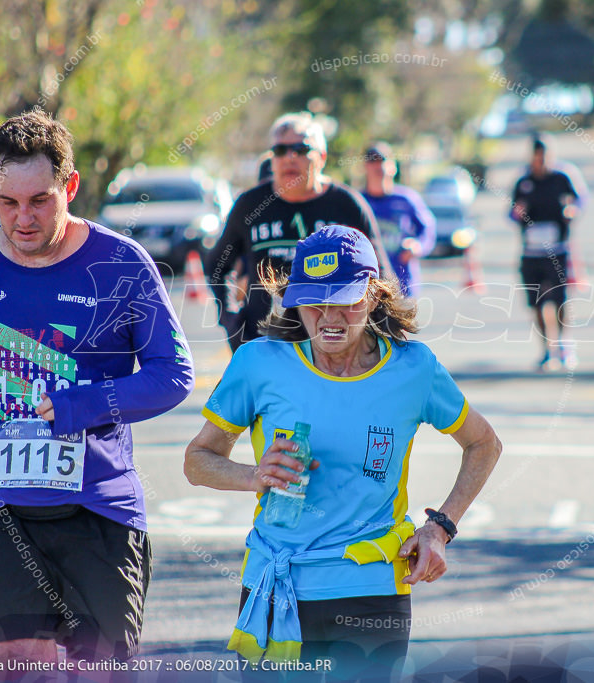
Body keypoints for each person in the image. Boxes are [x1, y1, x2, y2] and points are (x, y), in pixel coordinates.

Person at [0, 109, 195, 667]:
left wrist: (81, 406)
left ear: (70, 187)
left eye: (40, 201)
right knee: (20, 664)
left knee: (99, 669)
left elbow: (171, 374)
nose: (22, 218)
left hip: (100, 504)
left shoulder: (122, 266)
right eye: (7, 202)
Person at [185, 225, 501, 673]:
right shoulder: (258, 363)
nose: (329, 317)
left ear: (373, 295)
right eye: (314, 300)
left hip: (372, 589)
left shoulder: (413, 368)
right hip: (276, 587)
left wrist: (439, 529)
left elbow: (484, 443)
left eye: (345, 300)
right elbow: (197, 461)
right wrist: (253, 476)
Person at [205, 112, 389, 351]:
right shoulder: (250, 205)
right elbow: (217, 266)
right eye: (280, 151)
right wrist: (230, 317)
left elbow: (380, 276)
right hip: (263, 341)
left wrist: (381, 333)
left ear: (321, 157)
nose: (290, 158)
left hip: (332, 343)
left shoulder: (347, 205)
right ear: (271, 159)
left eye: (301, 149)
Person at [510, 137, 588, 371]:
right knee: (537, 304)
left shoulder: (562, 178)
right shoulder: (523, 181)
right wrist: (517, 213)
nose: (540, 161)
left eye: (545, 156)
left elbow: (581, 200)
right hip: (531, 251)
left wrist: (572, 210)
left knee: (559, 299)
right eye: (536, 157)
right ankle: (546, 350)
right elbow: (511, 213)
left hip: (558, 250)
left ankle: (565, 345)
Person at [360, 142, 436, 296]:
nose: (378, 165)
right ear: (365, 167)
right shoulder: (358, 201)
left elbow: (428, 229)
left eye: (383, 159)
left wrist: (417, 245)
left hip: (403, 285)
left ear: (393, 166)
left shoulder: (406, 199)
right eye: (372, 160)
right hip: (368, 288)